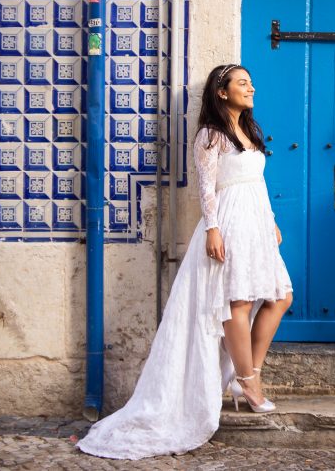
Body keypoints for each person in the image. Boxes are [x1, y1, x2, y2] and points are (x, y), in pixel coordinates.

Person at [78, 64, 294, 459]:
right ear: (222, 92)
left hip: (257, 220)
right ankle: (248, 383)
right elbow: (206, 186)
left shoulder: (251, 131)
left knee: (281, 296)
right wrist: (212, 229)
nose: (251, 87)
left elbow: (257, 182)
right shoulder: (210, 135)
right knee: (237, 302)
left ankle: (248, 372)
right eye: (242, 83)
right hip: (228, 221)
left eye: (251, 81)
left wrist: (273, 222)